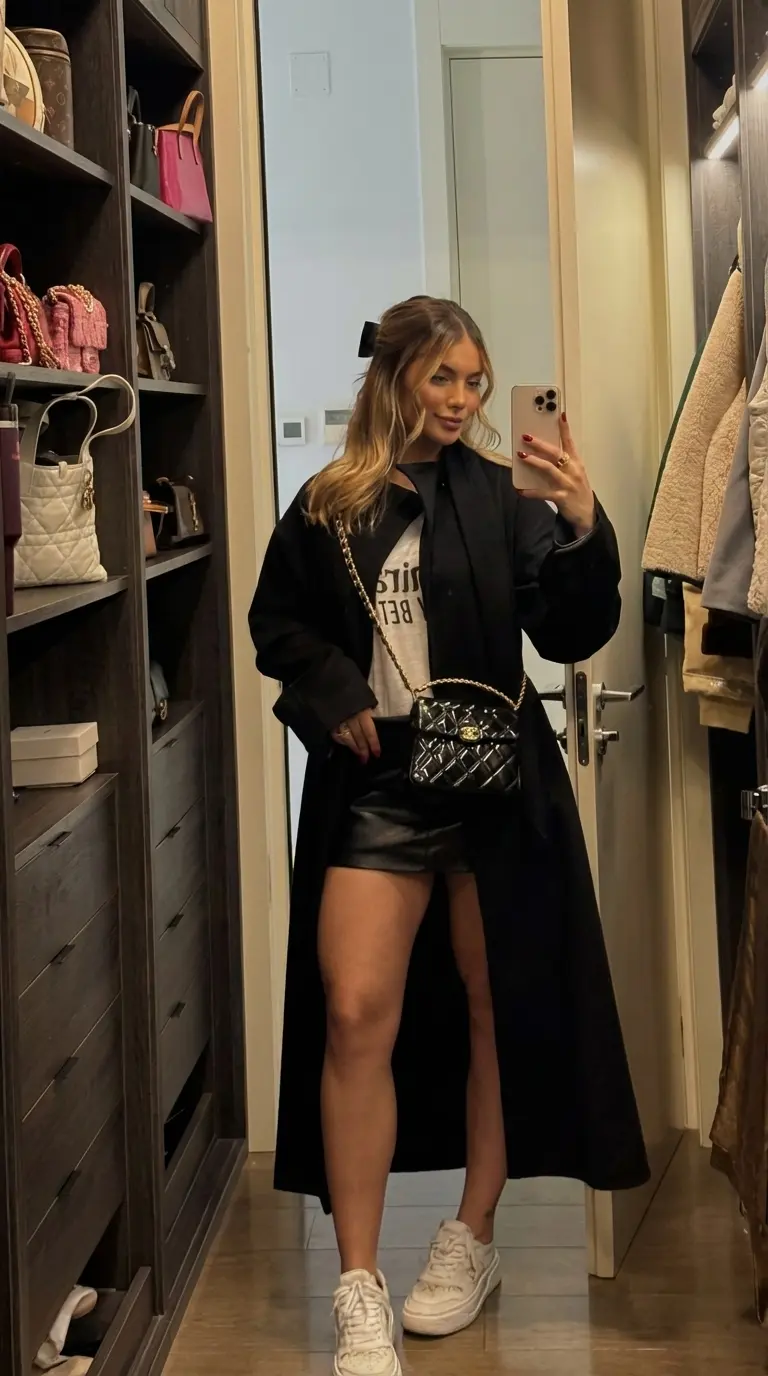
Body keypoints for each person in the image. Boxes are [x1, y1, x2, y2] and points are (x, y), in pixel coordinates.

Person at [249, 296, 649, 1376]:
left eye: (475, 380)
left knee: (493, 1006)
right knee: (352, 1011)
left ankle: (472, 1233)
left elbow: (570, 629)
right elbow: (277, 623)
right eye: (443, 378)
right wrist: (332, 689)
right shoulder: (328, 502)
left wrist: (582, 526)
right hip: (379, 781)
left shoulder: (505, 493)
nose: (464, 399)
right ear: (394, 377)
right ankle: (358, 1281)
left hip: (493, 782)